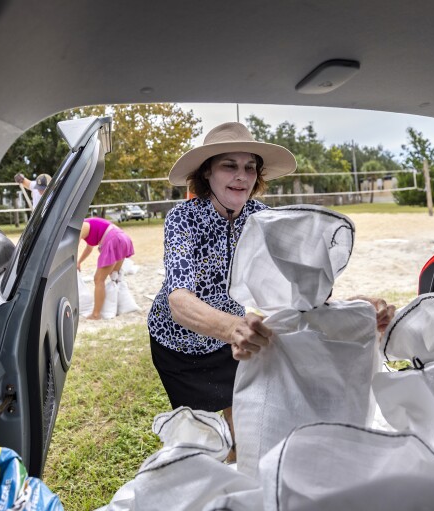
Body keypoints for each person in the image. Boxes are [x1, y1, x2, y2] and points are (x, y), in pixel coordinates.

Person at [147, 122, 396, 460]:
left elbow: (302, 287)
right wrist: (231, 328)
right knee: (207, 442)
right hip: (180, 344)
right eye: (229, 165)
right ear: (207, 173)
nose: (242, 176)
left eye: (250, 167)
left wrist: (360, 308)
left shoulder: (264, 218)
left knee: (242, 435)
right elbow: (179, 301)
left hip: (234, 342)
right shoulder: (182, 218)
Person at [77, 217, 135, 320]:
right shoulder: (89, 224)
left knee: (98, 279)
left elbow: (73, 248)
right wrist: (79, 262)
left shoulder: (82, 225)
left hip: (113, 239)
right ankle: (116, 307)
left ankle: (95, 314)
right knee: (115, 276)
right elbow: (89, 248)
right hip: (122, 237)